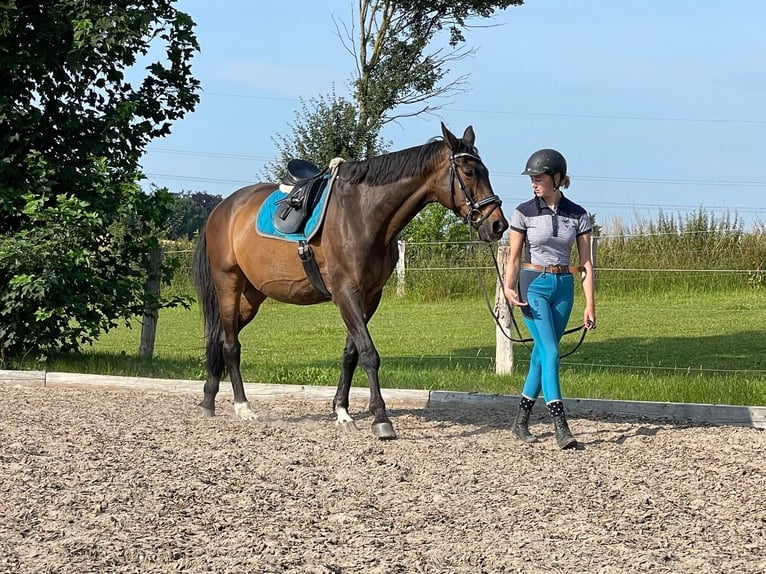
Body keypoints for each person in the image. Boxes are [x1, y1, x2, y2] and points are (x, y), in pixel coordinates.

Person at [503, 149, 596, 449]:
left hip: (564, 286)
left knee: (541, 356)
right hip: (534, 285)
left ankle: (520, 422)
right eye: (531, 178)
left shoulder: (578, 215)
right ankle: (561, 426)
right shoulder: (523, 212)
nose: (533, 183)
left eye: (538, 177)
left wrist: (590, 304)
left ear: (556, 178)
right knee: (552, 353)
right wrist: (508, 287)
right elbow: (514, 257)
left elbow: (586, 263)